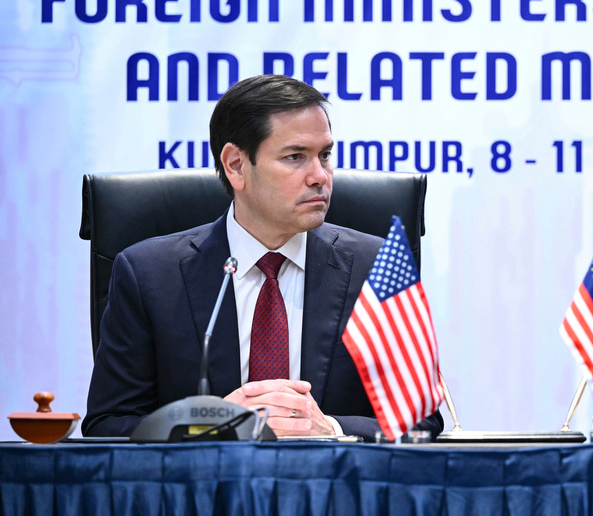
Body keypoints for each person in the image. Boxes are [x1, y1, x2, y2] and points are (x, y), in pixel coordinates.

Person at [84, 74, 442, 439]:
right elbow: (108, 425)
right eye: (295, 157)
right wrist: (210, 426)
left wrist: (329, 428)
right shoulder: (149, 275)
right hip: (202, 492)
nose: (320, 176)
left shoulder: (377, 266)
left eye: (325, 155)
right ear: (236, 165)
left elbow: (422, 421)